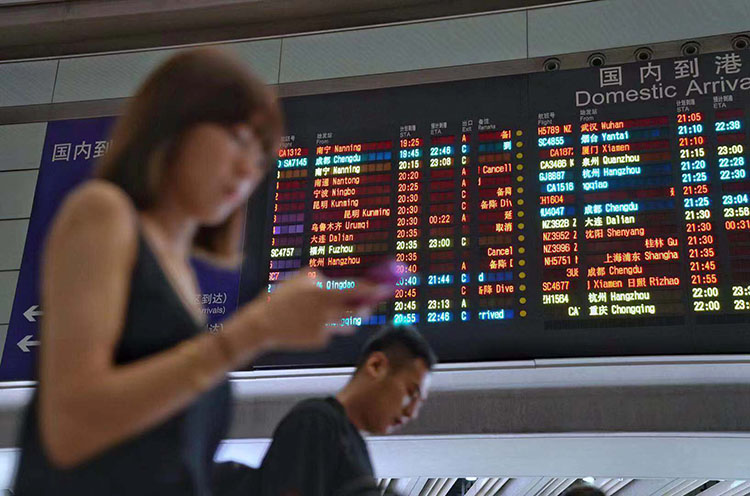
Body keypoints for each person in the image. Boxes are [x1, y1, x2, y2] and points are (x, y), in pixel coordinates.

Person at [13, 48, 390, 496]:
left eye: (262, 155)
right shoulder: (104, 212)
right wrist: (251, 333)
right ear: (177, 120)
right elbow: (69, 428)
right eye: (238, 137)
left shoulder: (185, 283)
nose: (249, 168)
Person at [258, 324, 437, 496]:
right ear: (376, 366)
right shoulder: (316, 421)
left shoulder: (357, 450)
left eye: (419, 403)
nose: (411, 413)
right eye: (411, 392)